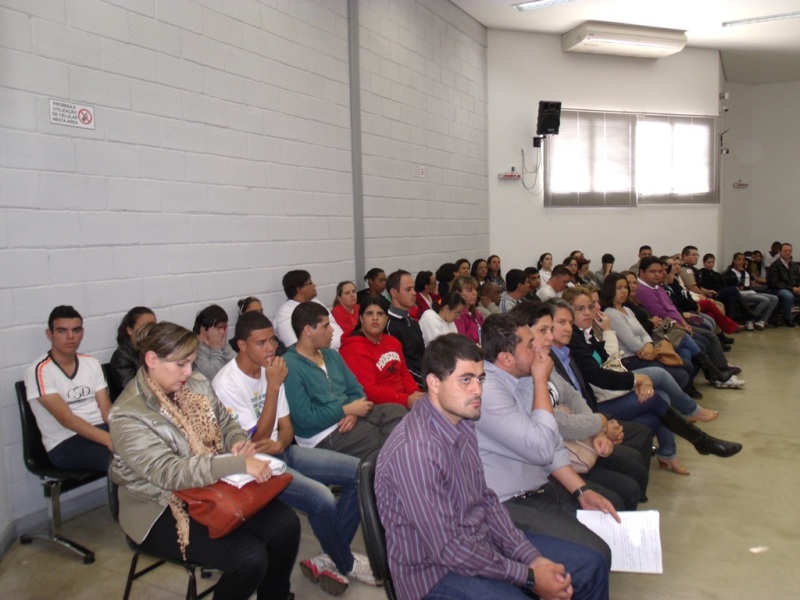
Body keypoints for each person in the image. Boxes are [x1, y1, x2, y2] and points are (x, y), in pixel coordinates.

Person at [376, 333, 609, 600]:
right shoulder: (415, 452)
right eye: (466, 379)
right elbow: (449, 550)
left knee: (592, 564)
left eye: (480, 378)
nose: (478, 390)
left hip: (477, 541)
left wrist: (530, 557)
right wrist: (529, 577)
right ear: (433, 383)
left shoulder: (461, 421)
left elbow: (485, 499)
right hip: (435, 573)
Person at [110, 321, 300, 600]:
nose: (189, 372)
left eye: (191, 363)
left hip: (209, 485)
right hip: (158, 504)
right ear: (151, 359)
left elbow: (226, 422)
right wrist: (236, 464)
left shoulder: (195, 383)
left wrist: (237, 441)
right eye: (181, 365)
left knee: (285, 525)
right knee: (249, 558)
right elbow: (168, 472)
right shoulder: (128, 414)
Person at [212, 312, 376, 595]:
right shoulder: (227, 383)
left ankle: (329, 557)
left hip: (283, 451)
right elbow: (256, 441)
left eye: (272, 340)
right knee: (321, 498)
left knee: (361, 474)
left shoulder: (272, 367)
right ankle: (346, 562)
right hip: (254, 468)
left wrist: (280, 443)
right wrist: (273, 387)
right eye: (261, 343)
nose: (271, 348)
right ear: (241, 345)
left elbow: (286, 427)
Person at [477, 312, 622, 562]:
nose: (539, 347)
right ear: (506, 358)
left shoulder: (520, 377)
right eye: (530, 344)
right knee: (593, 556)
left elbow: (553, 446)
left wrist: (582, 491)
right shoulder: (488, 392)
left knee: (613, 509)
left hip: (538, 485)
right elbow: (541, 448)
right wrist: (541, 381)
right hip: (508, 503)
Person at [555, 297, 743, 475]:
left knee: (659, 398)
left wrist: (615, 338)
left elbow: (609, 360)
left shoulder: (585, 332)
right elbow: (600, 374)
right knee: (657, 386)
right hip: (602, 396)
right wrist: (636, 380)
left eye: (591, 306)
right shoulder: (575, 338)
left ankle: (670, 453)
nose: (589, 312)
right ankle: (698, 436)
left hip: (610, 386)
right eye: (580, 309)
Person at [283, 302, 406, 459]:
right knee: (376, 437)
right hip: (322, 434)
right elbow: (305, 418)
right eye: (326, 326)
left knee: (397, 413)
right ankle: (392, 469)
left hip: (349, 416)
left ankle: (392, 463)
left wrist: (353, 413)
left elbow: (356, 389)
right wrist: (346, 410)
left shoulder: (331, 355)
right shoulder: (289, 366)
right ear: (308, 330)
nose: (332, 330)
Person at [24, 305, 113, 472]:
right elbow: (66, 419)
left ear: (82, 333)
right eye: (62, 331)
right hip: (66, 443)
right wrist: (109, 439)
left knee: (151, 446)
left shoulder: (91, 363)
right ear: (49, 334)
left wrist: (125, 430)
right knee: (124, 460)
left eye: (76, 330)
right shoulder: (39, 371)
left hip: (100, 430)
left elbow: (106, 409)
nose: (71, 336)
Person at [635, 257, 745, 389]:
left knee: (709, 326)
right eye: (653, 271)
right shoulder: (644, 290)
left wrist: (684, 323)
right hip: (667, 328)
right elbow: (661, 315)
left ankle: (720, 369)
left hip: (683, 319)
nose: (658, 274)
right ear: (642, 272)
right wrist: (682, 325)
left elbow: (673, 306)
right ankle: (718, 373)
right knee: (705, 336)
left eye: (660, 271)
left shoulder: (662, 285)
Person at [340, 296, 423, 408]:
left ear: (387, 318)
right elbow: (369, 391)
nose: (375, 318)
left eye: (380, 314)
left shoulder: (393, 342)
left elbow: (404, 372)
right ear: (361, 318)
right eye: (369, 314)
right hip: (377, 406)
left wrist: (415, 393)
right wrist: (406, 400)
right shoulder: (353, 348)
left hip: (403, 400)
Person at [274, 269, 344, 349]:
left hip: (340, 351)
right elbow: (296, 347)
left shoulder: (316, 302)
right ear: (299, 289)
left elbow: (333, 324)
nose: (314, 285)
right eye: (310, 283)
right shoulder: (285, 312)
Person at [385, 269, 426, 385]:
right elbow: (400, 368)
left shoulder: (413, 323)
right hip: (412, 386)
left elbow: (423, 357)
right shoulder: (389, 326)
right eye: (408, 289)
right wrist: (428, 383)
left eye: (414, 288)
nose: (414, 293)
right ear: (394, 293)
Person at [724, 252, 778, 328]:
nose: (741, 262)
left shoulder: (746, 271)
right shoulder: (731, 272)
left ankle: (762, 321)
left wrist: (744, 275)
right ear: (734, 261)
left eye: (743, 260)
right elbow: (740, 287)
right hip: (741, 294)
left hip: (750, 292)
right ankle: (749, 320)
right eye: (739, 260)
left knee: (774, 298)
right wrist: (742, 273)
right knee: (765, 300)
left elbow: (748, 285)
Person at [109, 306, 156, 393]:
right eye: (144, 327)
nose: (149, 331)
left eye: (152, 326)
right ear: (130, 330)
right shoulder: (122, 356)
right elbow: (132, 389)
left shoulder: (156, 348)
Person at [192, 304, 237, 380]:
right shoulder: (194, 348)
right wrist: (216, 348)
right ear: (202, 329)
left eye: (225, 328)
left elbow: (240, 365)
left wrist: (223, 348)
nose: (223, 332)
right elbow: (215, 376)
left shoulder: (222, 343)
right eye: (219, 328)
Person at [767, 242, 800, 327]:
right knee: (788, 295)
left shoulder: (794, 265)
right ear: (780, 251)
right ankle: (788, 319)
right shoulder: (775, 266)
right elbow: (775, 282)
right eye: (786, 251)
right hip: (777, 290)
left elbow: (798, 278)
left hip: (793, 288)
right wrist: (792, 288)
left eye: (790, 251)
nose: (788, 252)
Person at [450, 276, 484, 344]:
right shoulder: (457, 316)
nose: (475, 293)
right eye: (470, 290)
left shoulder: (477, 312)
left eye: (475, 289)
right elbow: (461, 343)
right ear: (458, 294)